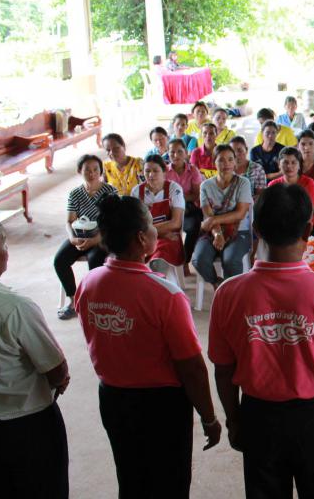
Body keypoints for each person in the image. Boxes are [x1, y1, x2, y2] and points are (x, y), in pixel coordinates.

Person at [208, 183, 314, 499]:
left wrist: (234, 420)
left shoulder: (228, 293)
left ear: (256, 228)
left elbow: (223, 371)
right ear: (308, 229)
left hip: (259, 418)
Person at [75, 195, 221, 497]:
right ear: (142, 238)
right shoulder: (166, 295)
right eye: (152, 226)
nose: (156, 231)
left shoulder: (88, 283)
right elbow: (192, 368)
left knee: (130, 477)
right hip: (160, 407)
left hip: (112, 399)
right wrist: (209, 417)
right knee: (169, 483)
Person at [0, 215, 70, 499]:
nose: (7, 251)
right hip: (29, 422)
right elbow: (56, 370)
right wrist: (59, 380)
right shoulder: (14, 307)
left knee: (2, 486)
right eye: (3, 244)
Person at [54, 154, 119, 320]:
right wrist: (72, 238)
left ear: (101, 171)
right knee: (60, 260)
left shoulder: (110, 191)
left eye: (96, 169)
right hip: (80, 236)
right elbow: (69, 221)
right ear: (79, 171)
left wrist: (96, 240)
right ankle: (73, 300)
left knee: (95, 259)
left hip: (102, 237)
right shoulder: (75, 193)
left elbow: (114, 222)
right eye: (87, 170)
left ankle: (96, 301)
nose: (92, 173)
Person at [193, 144, 253, 291]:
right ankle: (218, 285)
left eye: (230, 159)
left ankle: (233, 292)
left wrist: (214, 220)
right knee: (199, 259)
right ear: (214, 162)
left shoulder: (243, 183)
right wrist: (217, 234)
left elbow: (240, 214)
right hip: (212, 232)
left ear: (235, 162)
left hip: (239, 232)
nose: (226, 164)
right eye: (221, 160)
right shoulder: (205, 186)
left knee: (230, 260)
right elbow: (208, 214)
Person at [131, 154, 185, 275]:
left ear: (164, 171)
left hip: (168, 239)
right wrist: (161, 232)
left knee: (158, 263)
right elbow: (134, 225)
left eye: (155, 171)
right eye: (147, 171)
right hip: (145, 239)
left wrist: (146, 231)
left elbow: (176, 223)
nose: (151, 175)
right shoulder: (136, 192)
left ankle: (158, 285)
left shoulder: (174, 189)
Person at [166, 138, 204, 277]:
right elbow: (164, 195)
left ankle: (185, 261)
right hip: (169, 207)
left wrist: (178, 199)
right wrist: (178, 200)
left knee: (194, 227)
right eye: (172, 152)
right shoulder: (165, 171)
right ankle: (167, 261)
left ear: (186, 153)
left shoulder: (192, 170)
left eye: (179, 151)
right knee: (165, 229)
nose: (175, 155)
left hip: (188, 206)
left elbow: (195, 195)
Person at [269, 146, 314, 227]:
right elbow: (270, 211)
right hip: (279, 226)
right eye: (285, 162)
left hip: (303, 225)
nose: (289, 166)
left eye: (293, 162)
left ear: (299, 165)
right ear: (279, 164)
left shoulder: (308, 183)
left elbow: (310, 211)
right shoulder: (273, 185)